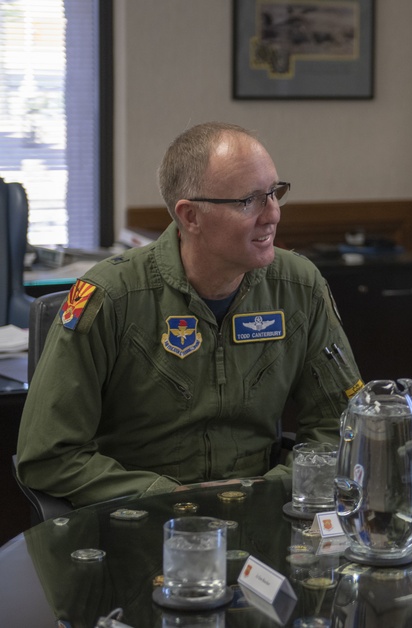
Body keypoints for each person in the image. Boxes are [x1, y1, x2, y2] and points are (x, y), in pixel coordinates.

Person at [16, 122, 363, 507]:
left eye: (275, 192)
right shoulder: (112, 297)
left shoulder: (298, 286)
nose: (273, 214)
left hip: (263, 517)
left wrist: (277, 488)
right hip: (139, 523)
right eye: (250, 200)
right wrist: (166, 499)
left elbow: (343, 425)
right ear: (190, 216)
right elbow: (47, 455)